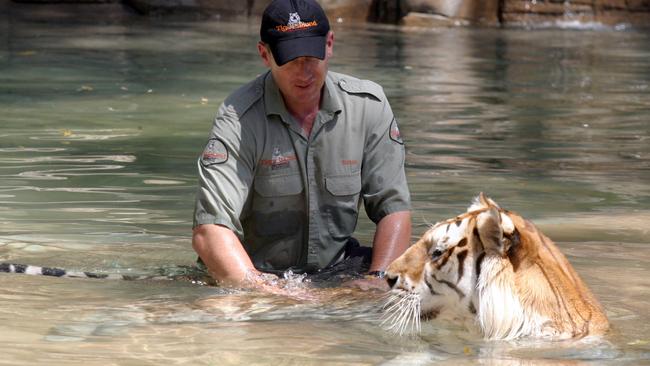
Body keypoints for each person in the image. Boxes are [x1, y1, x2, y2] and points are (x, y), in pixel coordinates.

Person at [192, 0, 411, 290]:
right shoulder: (238, 118)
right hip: (257, 274)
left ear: (329, 44)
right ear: (264, 54)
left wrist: (380, 280)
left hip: (341, 270)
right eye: (290, 58)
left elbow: (394, 208)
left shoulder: (369, 105)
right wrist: (266, 292)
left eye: (311, 56)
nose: (304, 71)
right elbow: (210, 232)